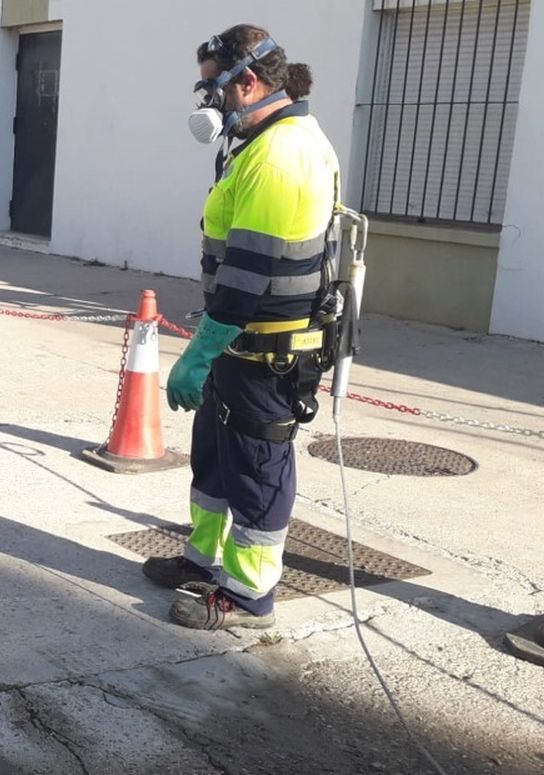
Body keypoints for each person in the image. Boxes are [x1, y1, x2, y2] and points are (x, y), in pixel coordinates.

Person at [151, 25, 342, 630]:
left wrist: (198, 355)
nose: (209, 102)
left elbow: (247, 276)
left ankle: (249, 594)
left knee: (257, 464)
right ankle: (204, 562)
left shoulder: (282, 155)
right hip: (241, 343)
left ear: (249, 81)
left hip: (267, 349)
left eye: (214, 88)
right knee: (214, 455)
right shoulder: (257, 144)